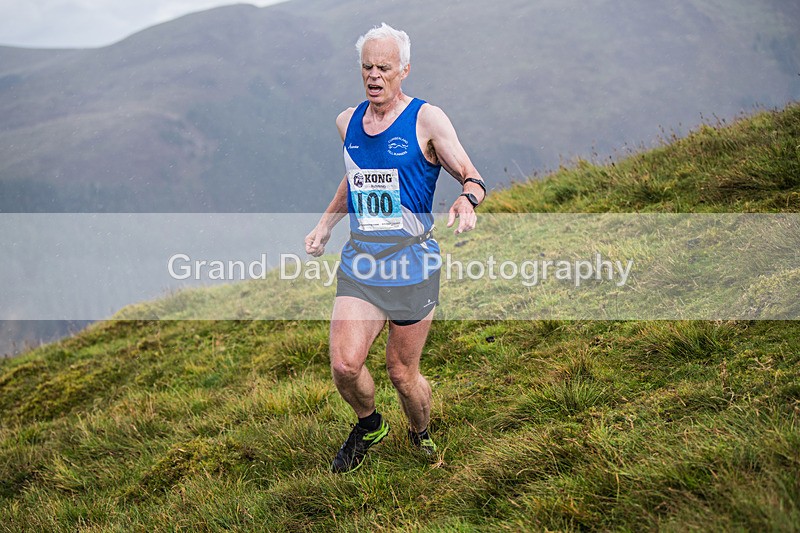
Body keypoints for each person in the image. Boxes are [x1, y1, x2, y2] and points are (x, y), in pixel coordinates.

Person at [305, 23, 486, 474]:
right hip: (363, 263)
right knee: (345, 366)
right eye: (367, 67)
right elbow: (355, 178)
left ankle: (420, 434)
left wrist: (467, 199)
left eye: (384, 68)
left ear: (404, 70)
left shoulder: (427, 119)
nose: (374, 75)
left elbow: (472, 175)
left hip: (412, 264)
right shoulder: (347, 122)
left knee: (402, 374)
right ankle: (369, 426)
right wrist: (325, 226)